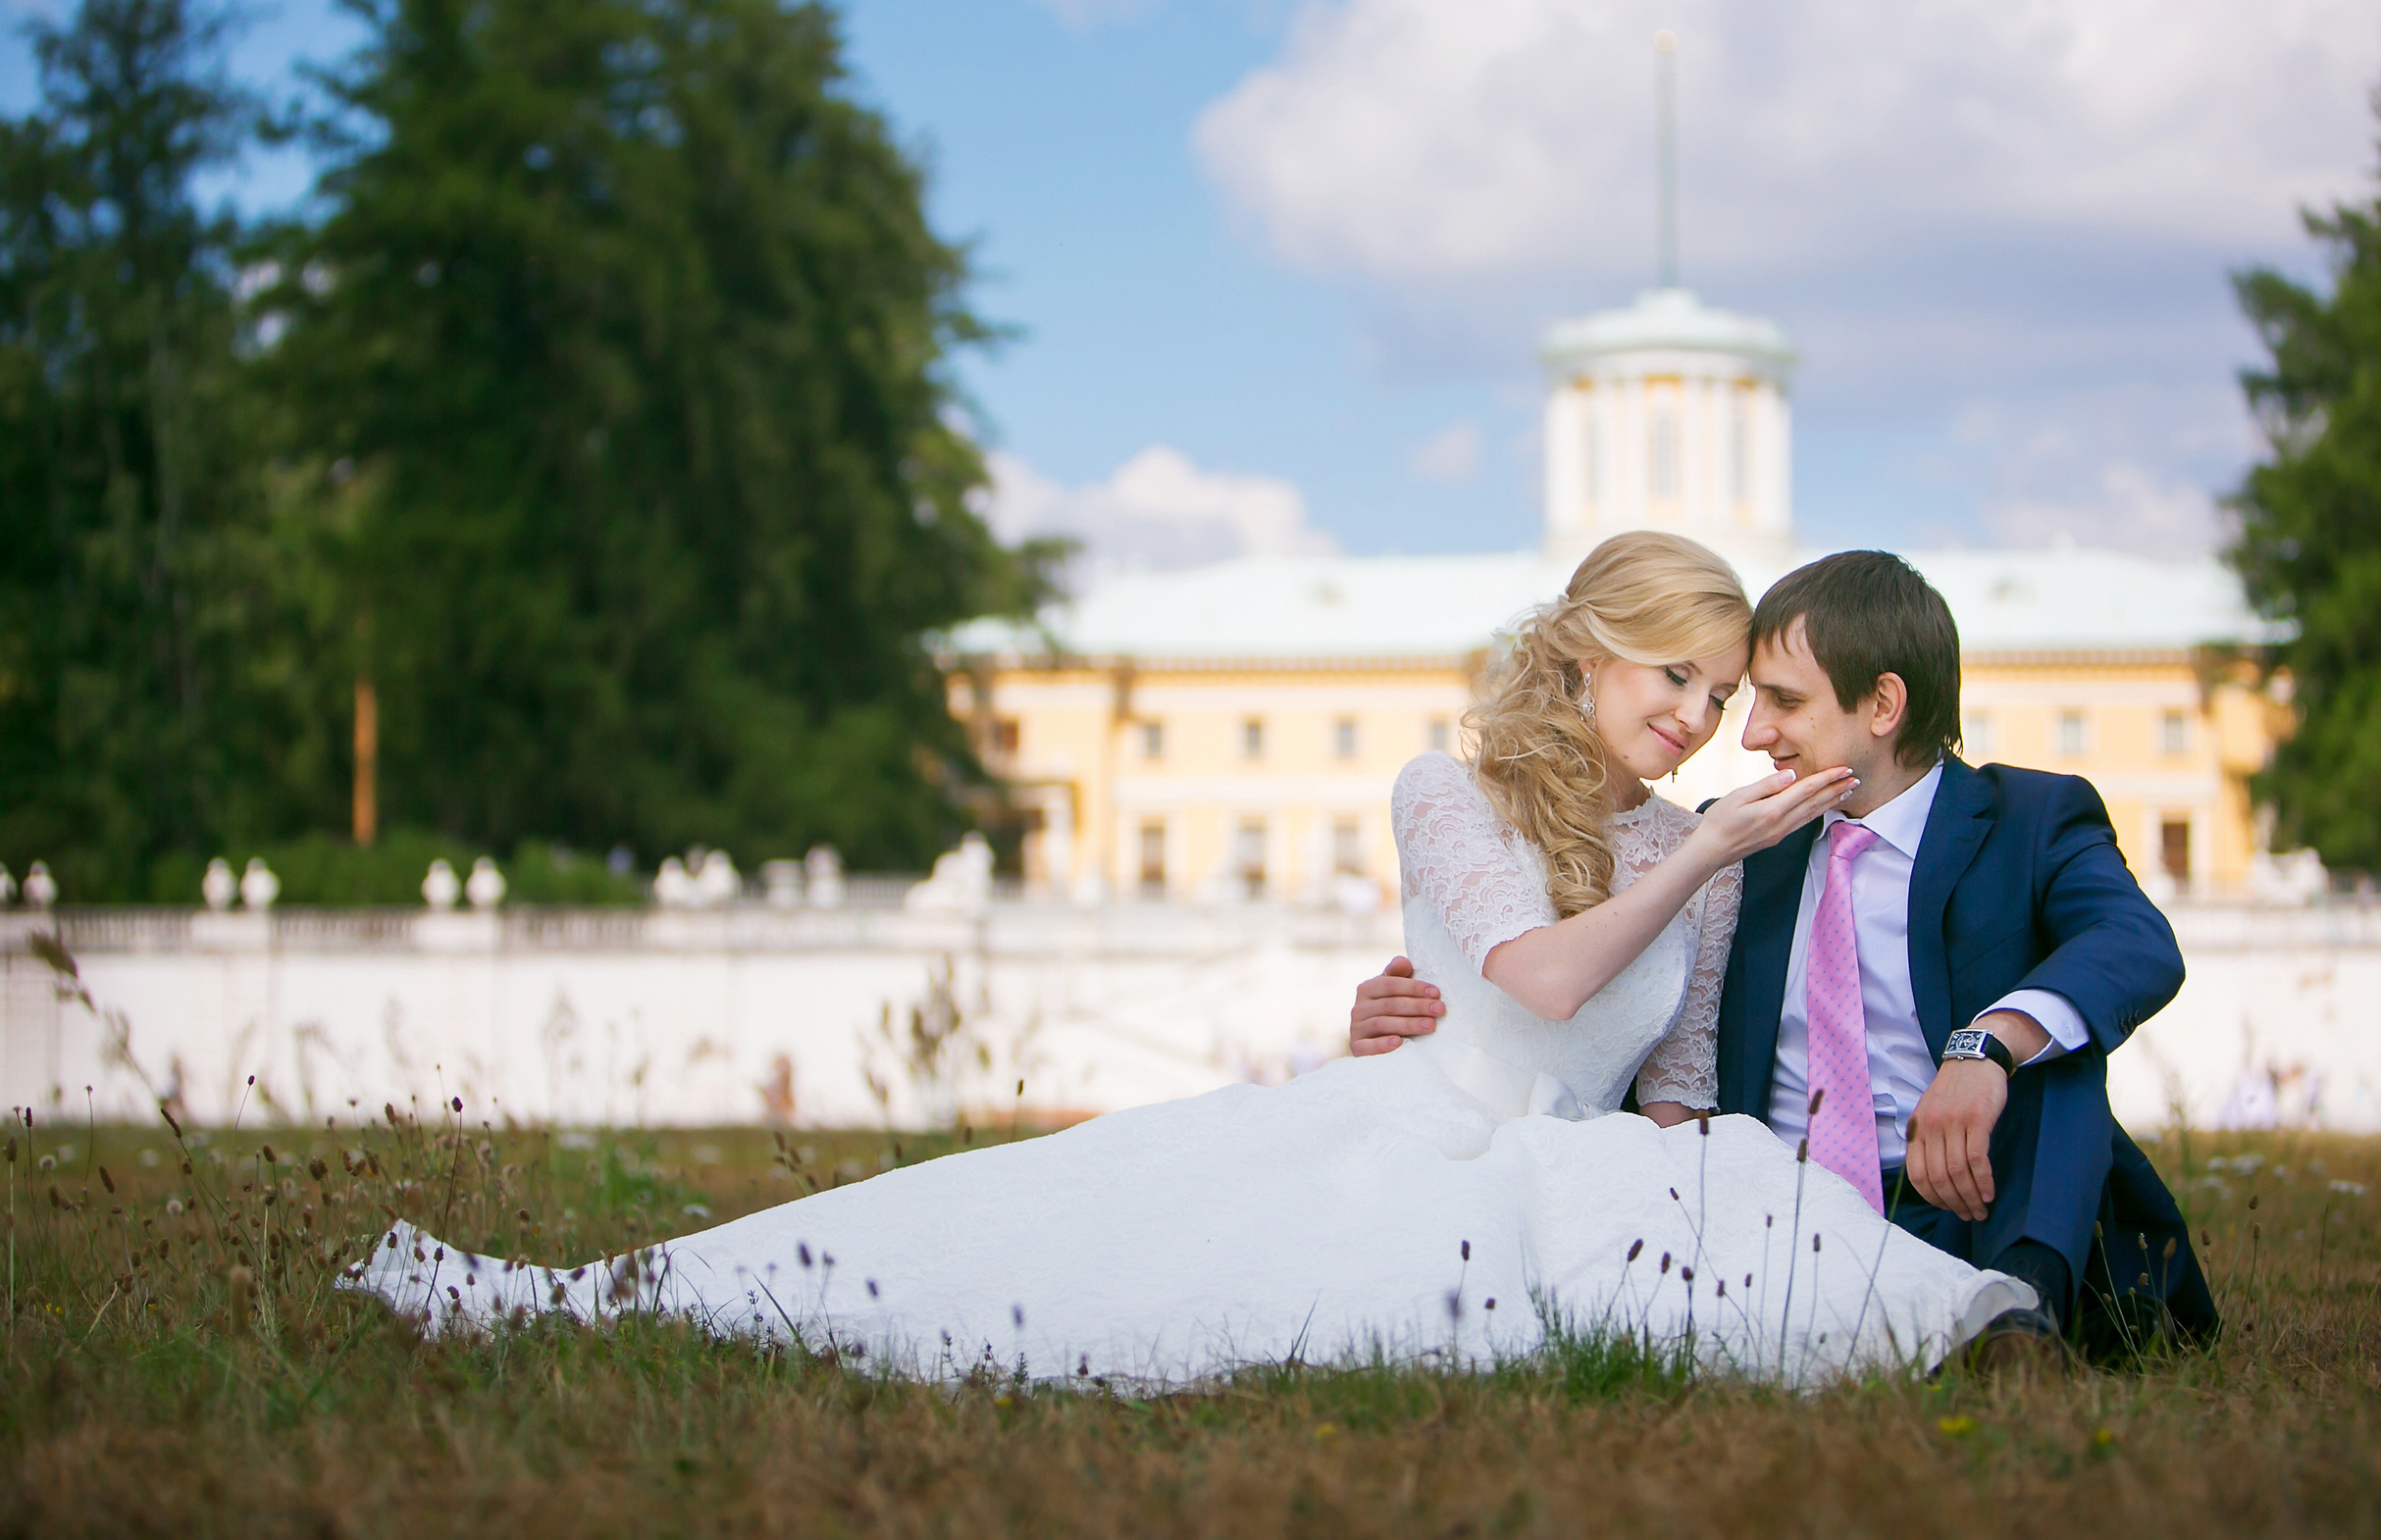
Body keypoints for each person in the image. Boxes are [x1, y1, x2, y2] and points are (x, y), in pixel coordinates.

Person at [347, 534, 2034, 1384]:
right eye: (1665, 674)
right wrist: (1715, 851)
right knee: (1094, 1265)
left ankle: (1965, 1329)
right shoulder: (1446, 785)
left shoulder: (1693, 849)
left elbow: (1668, 1086)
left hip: (1573, 1153)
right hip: (1411, 1124)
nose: (1691, 717)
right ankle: (646, 1299)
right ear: (1586, 655)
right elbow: (1529, 979)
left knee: (1710, 1200)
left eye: (1719, 694)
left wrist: (1669, 1164)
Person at [1352, 549, 2218, 1366]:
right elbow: (1622, 1037)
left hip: (1968, 1187)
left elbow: (2134, 944)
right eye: (1738, 695)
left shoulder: (2031, 816)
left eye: (1773, 699)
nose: (1741, 733)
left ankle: (2022, 1316)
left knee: (2053, 1051)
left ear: (1882, 706)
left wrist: (1987, 1043)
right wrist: (1449, 1022)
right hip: (1777, 1196)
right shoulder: (1738, 837)